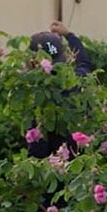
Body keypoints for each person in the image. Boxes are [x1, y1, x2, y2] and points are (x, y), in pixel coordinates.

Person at [26, 21, 93, 159]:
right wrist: (68, 35)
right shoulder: (77, 80)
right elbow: (84, 63)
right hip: (85, 159)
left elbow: (38, 153)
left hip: (60, 167)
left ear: (33, 63)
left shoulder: (37, 100)